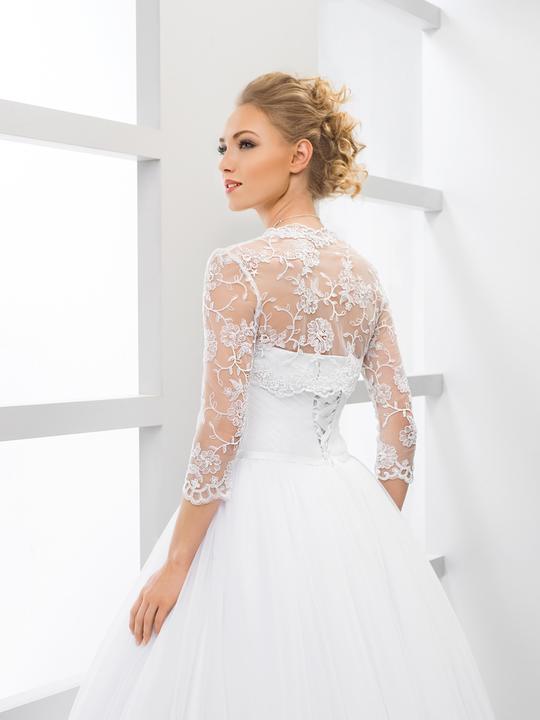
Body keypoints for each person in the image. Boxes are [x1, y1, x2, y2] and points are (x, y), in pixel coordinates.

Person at [68, 72, 496, 719]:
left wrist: (177, 566)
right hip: (348, 504)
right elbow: (400, 429)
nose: (226, 163)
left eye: (245, 144)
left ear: (299, 155)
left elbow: (219, 432)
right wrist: (373, 533)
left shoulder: (236, 268)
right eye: (222, 147)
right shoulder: (363, 276)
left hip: (251, 511)